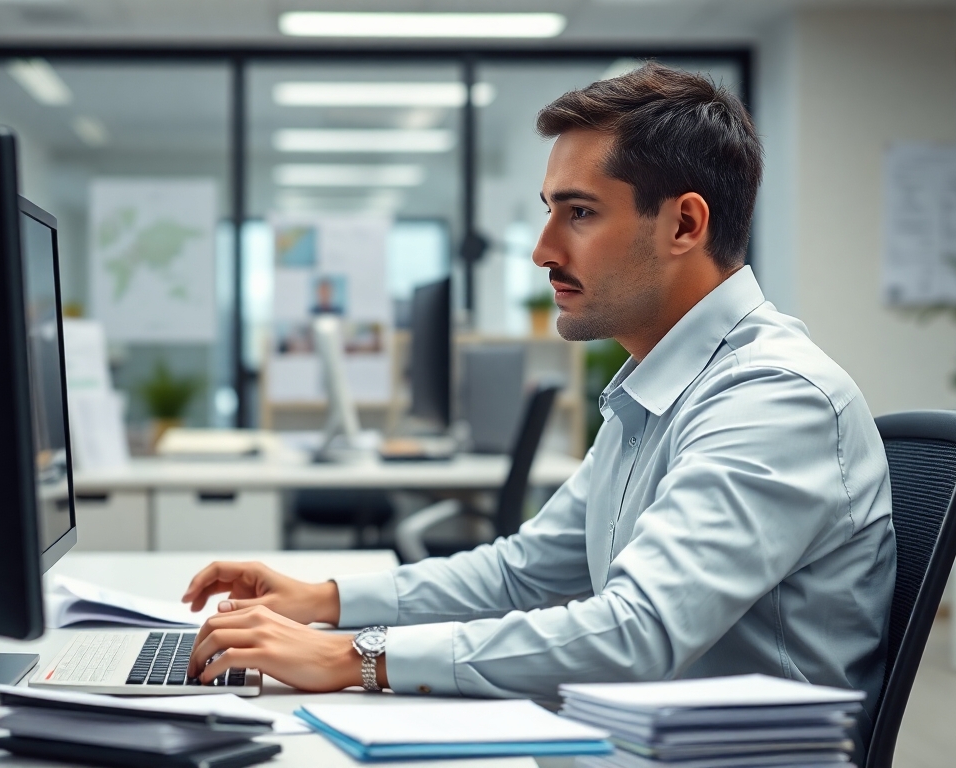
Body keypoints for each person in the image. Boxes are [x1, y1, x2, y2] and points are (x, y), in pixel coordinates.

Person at [183, 62, 895, 742]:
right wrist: (325, 601)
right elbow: (522, 571)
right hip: (624, 735)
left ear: (684, 225)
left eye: (579, 213)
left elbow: (637, 632)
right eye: (550, 212)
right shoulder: (659, 388)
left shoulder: (772, 399)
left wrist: (352, 658)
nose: (543, 250)